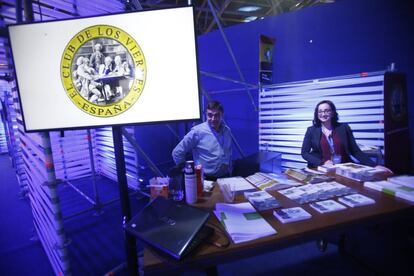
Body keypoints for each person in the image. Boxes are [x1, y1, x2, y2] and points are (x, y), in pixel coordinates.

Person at [301, 100, 380, 168]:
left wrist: (374, 165)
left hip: (344, 167)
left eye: (327, 111)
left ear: (332, 112)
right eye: (320, 111)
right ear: (317, 114)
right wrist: (322, 162)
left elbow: (355, 151)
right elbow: (304, 153)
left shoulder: (344, 128)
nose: (323, 114)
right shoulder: (311, 130)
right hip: (322, 168)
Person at [172, 101, 233, 180]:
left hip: (226, 177)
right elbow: (177, 152)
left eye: (217, 115)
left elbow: (228, 152)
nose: (213, 119)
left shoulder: (227, 131)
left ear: (222, 115)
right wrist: (187, 172)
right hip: (206, 179)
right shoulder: (197, 132)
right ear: (206, 115)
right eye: (210, 115)